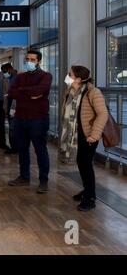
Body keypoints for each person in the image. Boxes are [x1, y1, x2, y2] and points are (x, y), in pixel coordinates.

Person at [60, 66, 108, 211]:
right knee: (81, 164)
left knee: (86, 166)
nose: (68, 76)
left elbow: (102, 114)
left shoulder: (93, 92)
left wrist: (94, 135)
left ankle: (90, 198)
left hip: (88, 136)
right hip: (75, 135)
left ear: (79, 79)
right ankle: (87, 190)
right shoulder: (70, 90)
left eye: (70, 74)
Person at [8, 50, 53, 194]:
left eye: (32, 59)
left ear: (38, 61)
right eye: (27, 59)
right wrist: (30, 93)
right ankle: (24, 177)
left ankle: (43, 181)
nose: (29, 61)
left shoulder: (46, 76)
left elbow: (41, 89)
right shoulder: (20, 77)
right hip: (20, 118)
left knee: (40, 150)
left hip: (38, 119)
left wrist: (22, 92)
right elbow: (12, 93)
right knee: (22, 150)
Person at [1, 63, 18, 155]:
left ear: (9, 69)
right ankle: (14, 147)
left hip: (14, 107)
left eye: (4, 71)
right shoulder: (9, 78)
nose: (4, 73)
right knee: (11, 128)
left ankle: (15, 148)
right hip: (10, 105)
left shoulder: (16, 78)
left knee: (12, 128)